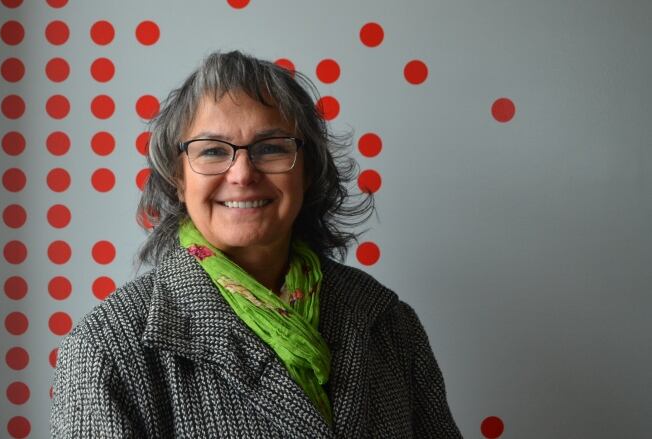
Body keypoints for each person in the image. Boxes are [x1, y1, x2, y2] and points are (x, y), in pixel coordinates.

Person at [50, 50, 462, 438]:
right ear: (178, 179)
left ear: (307, 171)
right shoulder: (107, 348)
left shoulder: (386, 321)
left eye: (270, 148)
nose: (242, 173)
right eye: (212, 151)